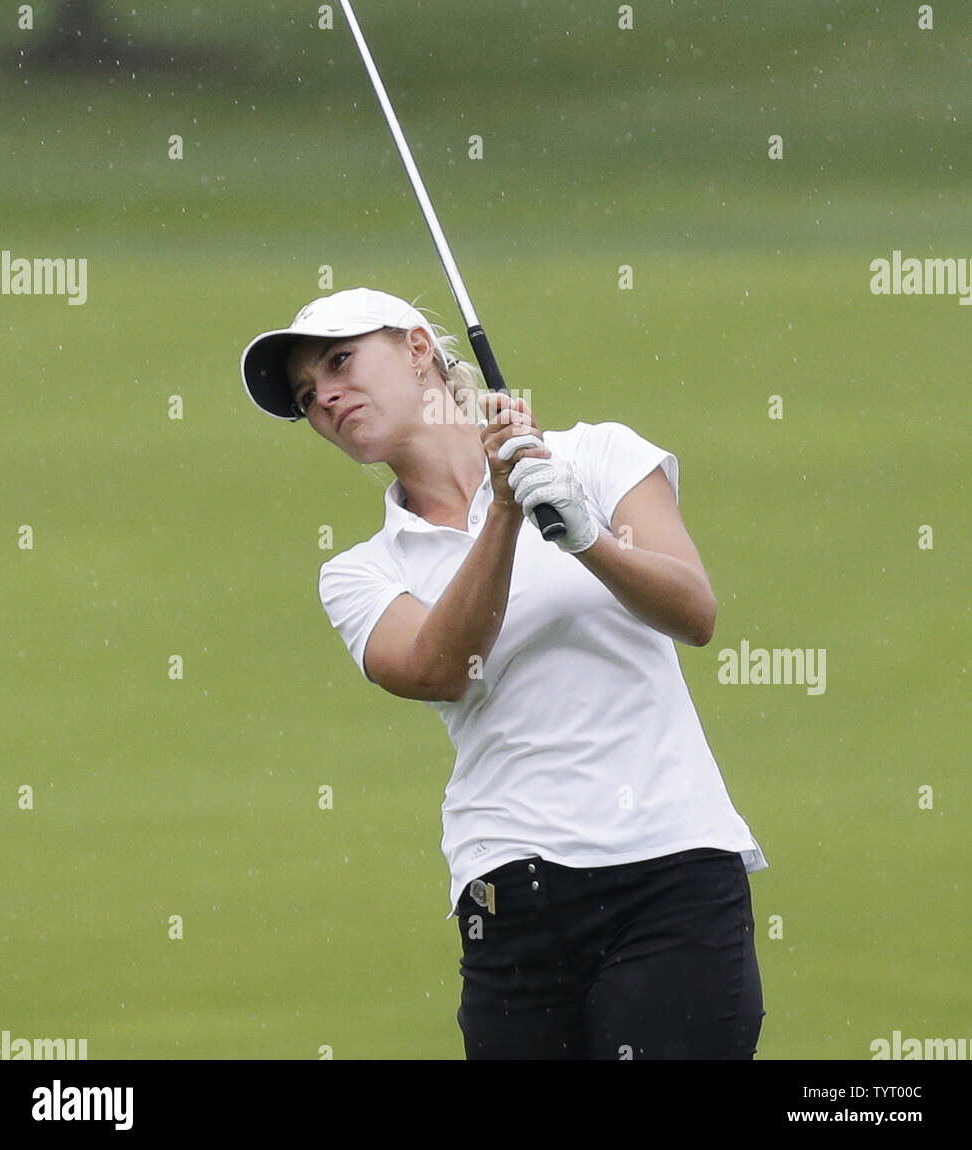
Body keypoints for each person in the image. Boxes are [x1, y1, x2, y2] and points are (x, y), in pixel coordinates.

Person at [241, 287, 767, 1061]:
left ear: (418, 348)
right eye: (304, 395)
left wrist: (587, 535)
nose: (323, 395)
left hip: (671, 867)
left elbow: (695, 613)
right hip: (511, 889)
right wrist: (506, 517)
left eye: (340, 361)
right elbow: (441, 668)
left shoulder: (595, 456)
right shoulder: (359, 573)